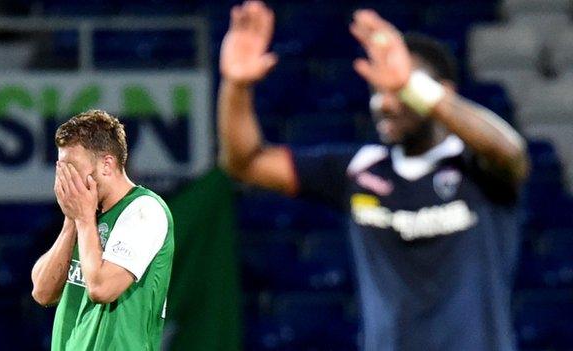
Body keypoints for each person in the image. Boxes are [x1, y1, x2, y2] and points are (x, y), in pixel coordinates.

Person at [218, 2, 529, 350]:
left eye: (397, 91)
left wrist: (412, 85)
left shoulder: (479, 167)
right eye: (377, 90)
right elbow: (245, 162)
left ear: (440, 91)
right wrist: (236, 86)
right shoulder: (359, 170)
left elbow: (512, 153)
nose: (383, 103)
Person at [30, 110, 174, 351]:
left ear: (107, 164)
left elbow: (101, 289)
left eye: (73, 168)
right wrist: (70, 221)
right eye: (61, 169)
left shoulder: (144, 211)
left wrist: (84, 220)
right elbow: (42, 292)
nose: (67, 180)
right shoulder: (84, 215)